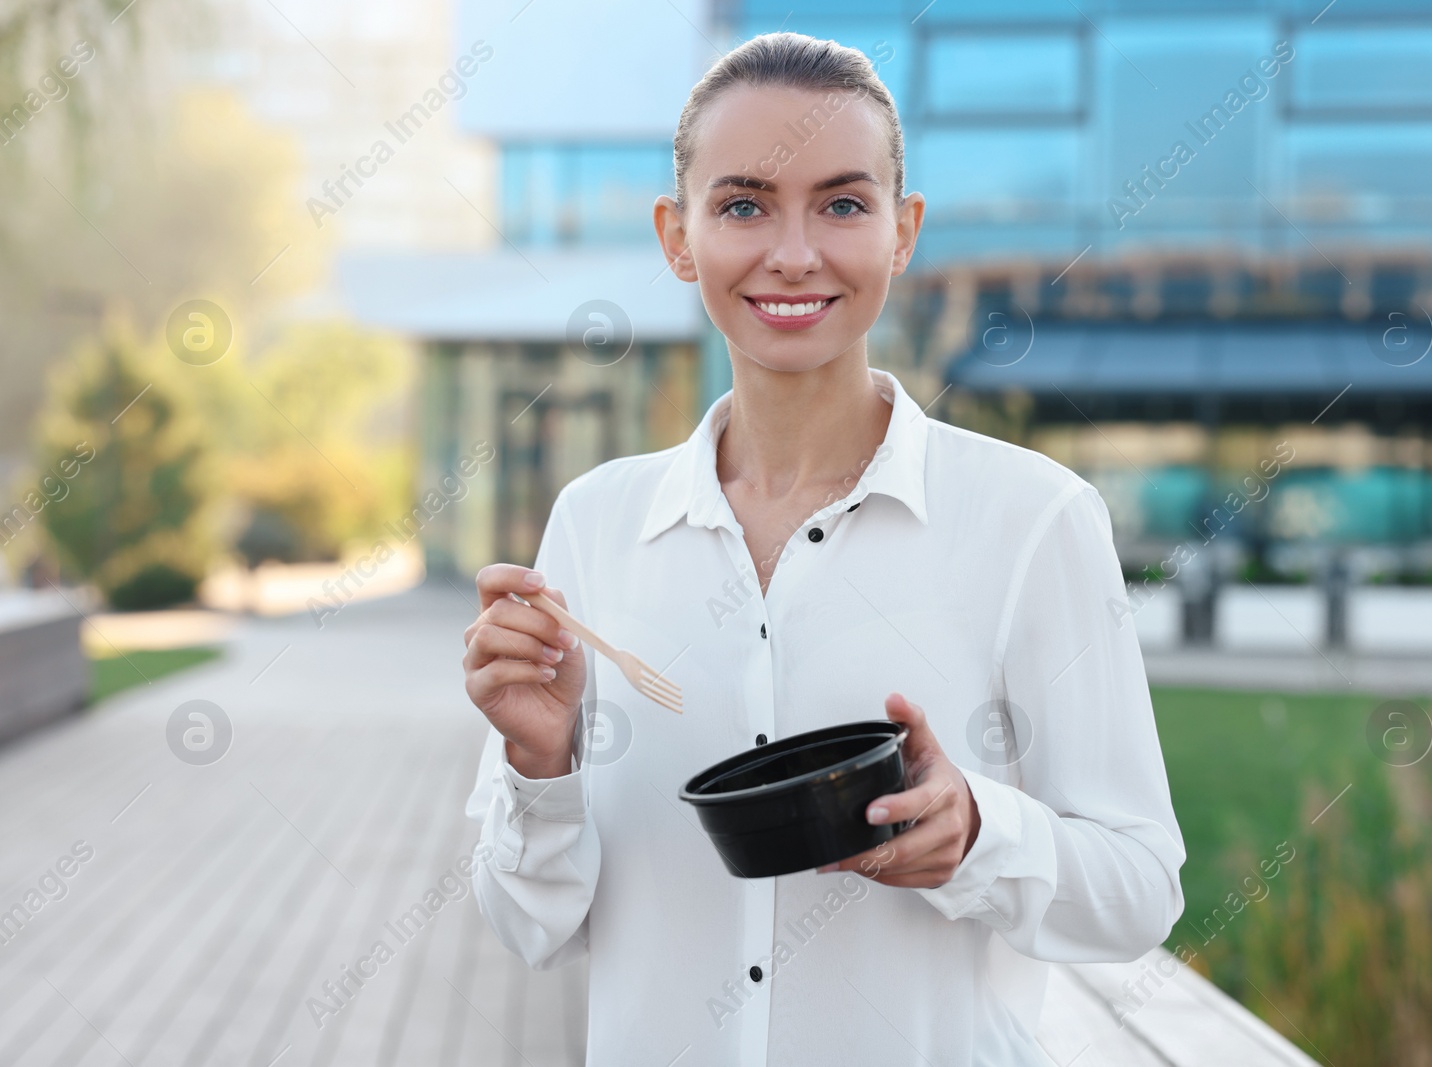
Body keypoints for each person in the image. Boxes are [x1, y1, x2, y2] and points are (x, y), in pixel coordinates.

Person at [462, 31, 1185, 1066]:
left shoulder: (1033, 517)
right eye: (743, 204)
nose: (792, 253)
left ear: (902, 231)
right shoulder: (594, 522)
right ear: (677, 236)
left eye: (843, 204)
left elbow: (1139, 891)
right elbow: (533, 924)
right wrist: (540, 763)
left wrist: (978, 834)